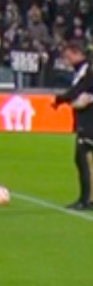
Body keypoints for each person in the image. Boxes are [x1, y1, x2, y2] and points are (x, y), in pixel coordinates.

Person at [51, 40, 93, 210]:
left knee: (81, 157)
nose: (67, 61)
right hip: (85, 120)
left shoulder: (88, 70)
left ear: (77, 53)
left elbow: (80, 89)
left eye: (69, 56)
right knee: (84, 159)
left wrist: (61, 99)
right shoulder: (83, 70)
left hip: (89, 122)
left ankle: (84, 200)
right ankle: (87, 199)